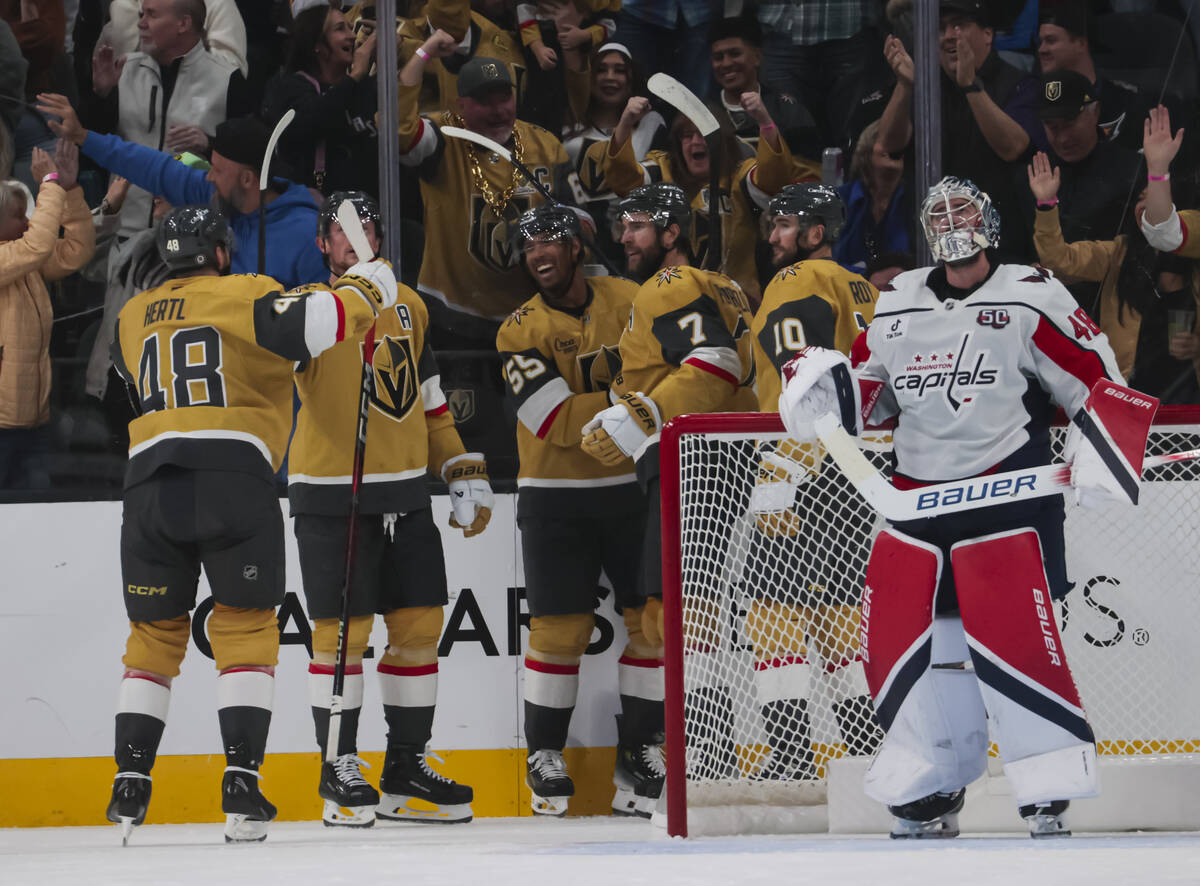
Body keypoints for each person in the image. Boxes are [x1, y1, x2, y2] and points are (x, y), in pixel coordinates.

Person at [778, 176, 1136, 839]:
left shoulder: (1029, 293)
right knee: (918, 646)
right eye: (938, 212)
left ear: (989, 222)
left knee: (1011, 639)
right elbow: (869, 394)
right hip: (917, 504)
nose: (951, 220)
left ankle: (1045, 780)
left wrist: (1101, 450)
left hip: (1006, 499)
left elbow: (1095, 377)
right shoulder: (898, 300)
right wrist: (820, 387)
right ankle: (933, 778)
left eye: (964, 209)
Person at [105, 204, 398, 844]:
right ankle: (240, 782)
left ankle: (130, 782)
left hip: (148, 484)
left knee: (152, 639)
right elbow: (322, 323)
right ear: (217, 252)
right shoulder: (247, 292)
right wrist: (370, 282)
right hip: (233, 475)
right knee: (244, 629)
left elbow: (124, 388)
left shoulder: (131, 316)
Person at [288, 192, 489, 827]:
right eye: (341, 230)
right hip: (332, 496)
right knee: (340, 637)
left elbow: (429, 401)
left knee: (421, 627)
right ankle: (338, 765)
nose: (354, 236)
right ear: (324, 245)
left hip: (406, 495)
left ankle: (404, 765)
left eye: (365, 226)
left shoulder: (411, 306)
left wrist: (457, 465)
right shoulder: (309, 309)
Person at [581, 181, 757, 806]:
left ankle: (696, 750)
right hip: (722, 454)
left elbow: (717, 364)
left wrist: (646, 412)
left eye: (635, 226)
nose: (623, 238)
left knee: (682, 612)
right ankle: (679, 747)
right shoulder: (723, 285)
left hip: (696, 457)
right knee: (678, 610)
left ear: (671, 232)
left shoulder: (669, 285)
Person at [495, 204, 654, 817]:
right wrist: (629, 401)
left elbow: (668, 374)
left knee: (651, 626)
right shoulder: (517, 329)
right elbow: (553, 420)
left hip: (632, 492)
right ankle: (544, 754)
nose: (537, 254)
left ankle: (640, 754)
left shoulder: (633, 299)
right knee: (560, 631)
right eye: (528, 245)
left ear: (576, 246)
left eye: (549, 242)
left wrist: (637, 398)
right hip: (554, 498)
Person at [745, 183, 883, 778]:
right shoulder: (865, 288)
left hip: (802, 468)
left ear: (815, 233)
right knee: (839, 618)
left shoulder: (796, 280)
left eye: (783, 225)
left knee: (770, 613)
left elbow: (804, 387)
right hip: (859, 473)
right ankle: (867, 757)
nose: (773, 237)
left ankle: (794, 759)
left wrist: (780, 472)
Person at [35, 96, 328, 288]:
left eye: (218, 170)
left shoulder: (306, 235)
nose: (208, 176)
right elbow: (150, 165)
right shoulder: (215, 195)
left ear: (249, 179)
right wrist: (82, 137)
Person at [590, 91, 818, 307]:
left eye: (702, 134)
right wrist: (626, 122)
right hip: (668, 301)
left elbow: (774, 180)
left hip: (737, 305)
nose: (695, 142)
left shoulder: (739, 175)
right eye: (686, 136)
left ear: (721, 140)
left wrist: (764, 120)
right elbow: (622, 182)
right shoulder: (662, 170)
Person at [1029, 150, 1200, 401]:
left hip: (1190, 407)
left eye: (1153, 198)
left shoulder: (1194, 251)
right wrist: (1046, 205)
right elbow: (1060, 261)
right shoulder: (1119, 253)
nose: (1144, 205)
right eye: (1140, 199)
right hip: (1130, 398)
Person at [878, 0, 1040, 259]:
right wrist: (905, 86)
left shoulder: (1019, 84)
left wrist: (971, 86)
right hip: (932, 244)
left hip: (1001, 246)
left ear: (988, 35)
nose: (948, 36)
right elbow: (887, 146)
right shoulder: (927, 84)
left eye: (959, 26)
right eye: (941, 29)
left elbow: (1014, 148)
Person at [87, 0, 254, 238]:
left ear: (183, 23)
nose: (141, 24)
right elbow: (93, 147)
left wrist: (209, 145)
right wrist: (100, 95)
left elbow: (247, 164)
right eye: (141, 14)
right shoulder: (123, 69)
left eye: (151, 16)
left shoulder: (227, 79)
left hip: (193, 235)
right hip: (124, 230)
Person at [0, 139, 95, 490]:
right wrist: (51, 183)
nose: (28, 221)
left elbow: (74, 251)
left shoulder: (24, 259)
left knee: (36, 517)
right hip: (1, 428)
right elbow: (38, 244)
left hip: (34, 420)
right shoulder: (17, 256)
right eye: (18, 214)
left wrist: (68, 191)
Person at [260, 2, 379, 196]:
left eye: (350, 28)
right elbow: (311, 121)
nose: (351, 35)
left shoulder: (363, 85)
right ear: (316, 44)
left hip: (370, 209)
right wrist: (355, 76)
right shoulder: (290, 86)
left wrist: (396, 55)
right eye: (340, 29)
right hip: (319, 210)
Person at [1036, 0, 1148, 152]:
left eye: (1050, 40)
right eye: (1040, 42)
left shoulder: (1126, 102)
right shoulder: (1034, 100)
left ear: (1080, 43)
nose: (1041, 50)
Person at [706, 13, 821, 158]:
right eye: (718, 57)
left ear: (757, 57)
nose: (726, 63)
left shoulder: (787, 110)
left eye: (735, 54)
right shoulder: (702, 113)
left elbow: (809, 169)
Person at [834, 119, 913, 274]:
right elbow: (824, 262)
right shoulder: (842, 198)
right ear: (867, 148)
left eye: (898, 143)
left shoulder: (917, 198)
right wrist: (866, 277)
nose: (893, 147)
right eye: (886, 141)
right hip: (850, 292)